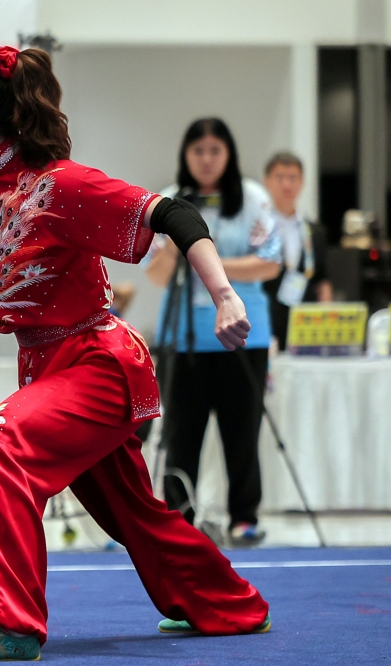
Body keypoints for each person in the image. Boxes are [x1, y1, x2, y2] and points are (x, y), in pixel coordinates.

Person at [0, 42, 270, 660]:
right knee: (130, 512)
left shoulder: (60, 186)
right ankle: (228, 605)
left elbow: (173, 213)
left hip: (100, 364)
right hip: (48, 369)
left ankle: (5, 624)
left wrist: (225, 296)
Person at [146, 118, 281, 547]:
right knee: (181, 434)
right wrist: (175, 244)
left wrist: (208, 261)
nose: (206, 159)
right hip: (182, 340)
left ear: (229, 154)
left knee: (242, 435)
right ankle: (178, 521)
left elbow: (271, 263)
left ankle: (245, 517)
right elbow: (156, 276)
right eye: (198, 151)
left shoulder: (254, 199)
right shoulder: (168, 200)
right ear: (186, 155)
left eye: (215, 150)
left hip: (244, 337)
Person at [261, 151, 332, 350]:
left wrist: (325, 316)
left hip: (305, 324)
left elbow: (322, 279)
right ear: (266, 181)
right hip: (267, 320)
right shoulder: (258, 228)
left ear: (302, 182)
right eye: (280, 177)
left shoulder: (314, 230)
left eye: (293, 178)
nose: (287, 185)